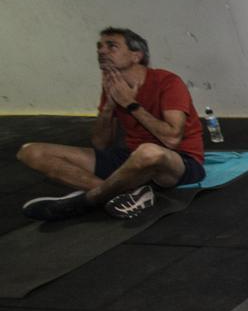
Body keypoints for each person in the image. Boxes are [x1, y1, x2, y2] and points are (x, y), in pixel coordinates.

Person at [18, 27, 206, 221]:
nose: (101, 51)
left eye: (112, 46)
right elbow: (101, 144)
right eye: (99, 46)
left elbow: (172, 139)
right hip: (131, 157)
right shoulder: (113, 86)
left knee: (149, 152)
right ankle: (119, 195)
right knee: (31, 151)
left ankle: (88, 200)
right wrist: (109, 107)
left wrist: (131, 104)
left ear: (136, 56)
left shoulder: (167, 82)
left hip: (179, 161)